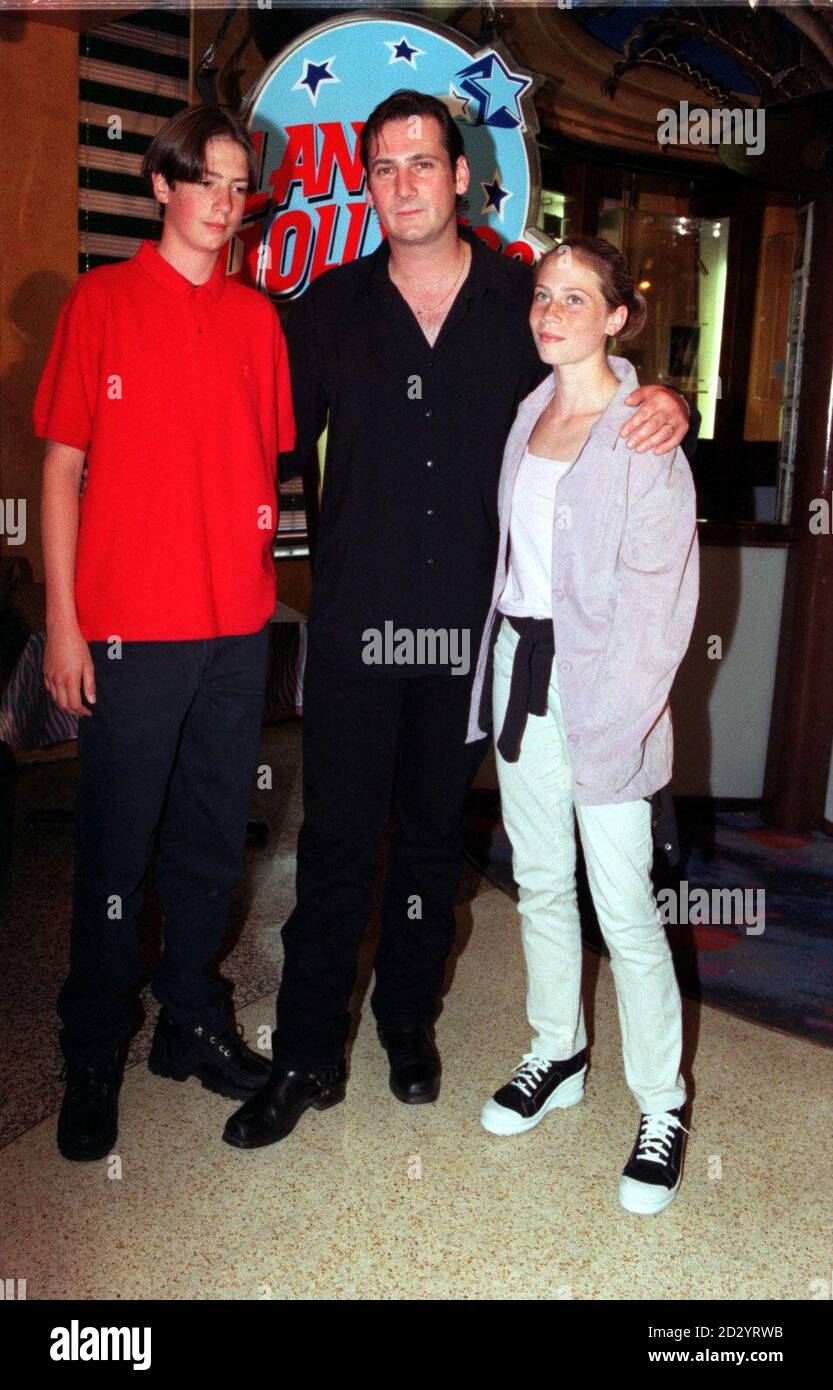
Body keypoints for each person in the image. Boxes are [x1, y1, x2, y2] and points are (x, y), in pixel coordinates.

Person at [224, 91, 695, 1152]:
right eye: (382, 167)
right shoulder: (328, 309)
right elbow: (248, 430)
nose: (402, 184)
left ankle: (404, 1027)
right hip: (353, 626)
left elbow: (600, 382)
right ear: (368, 182)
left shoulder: (516, 306)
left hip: (470, 647)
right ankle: (305, 1053)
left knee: (433, 848)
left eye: (420, 163)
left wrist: (674, 398)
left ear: (458, 173)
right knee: (336, 843)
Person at [34, 105, 296, 1161]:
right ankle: (93, 1045)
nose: (227, 205)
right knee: (111, 855)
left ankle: (188, 1020)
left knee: (203, 846)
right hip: (126, 632)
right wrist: (64, 622)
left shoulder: (257, 318)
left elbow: (266, 460)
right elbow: (59, 468)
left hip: (236, 627)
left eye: (240, 187)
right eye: (210, 183)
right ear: (163, 187)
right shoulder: (99, 302)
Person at [466, 236, 699, 1215]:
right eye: (540, 294)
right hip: (522, 669)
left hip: (607, 692)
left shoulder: (644, 431)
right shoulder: (529, 412)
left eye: (574, 298)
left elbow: (660, 606)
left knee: (627, 909)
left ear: (614, 317)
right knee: (539, 883)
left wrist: (612, 727)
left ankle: (660, 1103)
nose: (549, 311)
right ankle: (555, 1050)